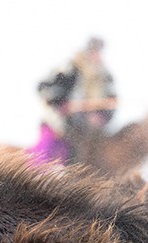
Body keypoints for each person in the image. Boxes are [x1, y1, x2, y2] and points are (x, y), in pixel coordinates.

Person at [27, 37, 118, 165]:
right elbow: (43, 87)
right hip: (57, 122)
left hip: (84, 130)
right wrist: (62, 103)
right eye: (94, 51)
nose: (97, 55)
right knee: (44, 153)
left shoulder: (105, 77)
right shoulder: (70, 68)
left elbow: (111, 103)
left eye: (99, 52)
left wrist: (101, 117)